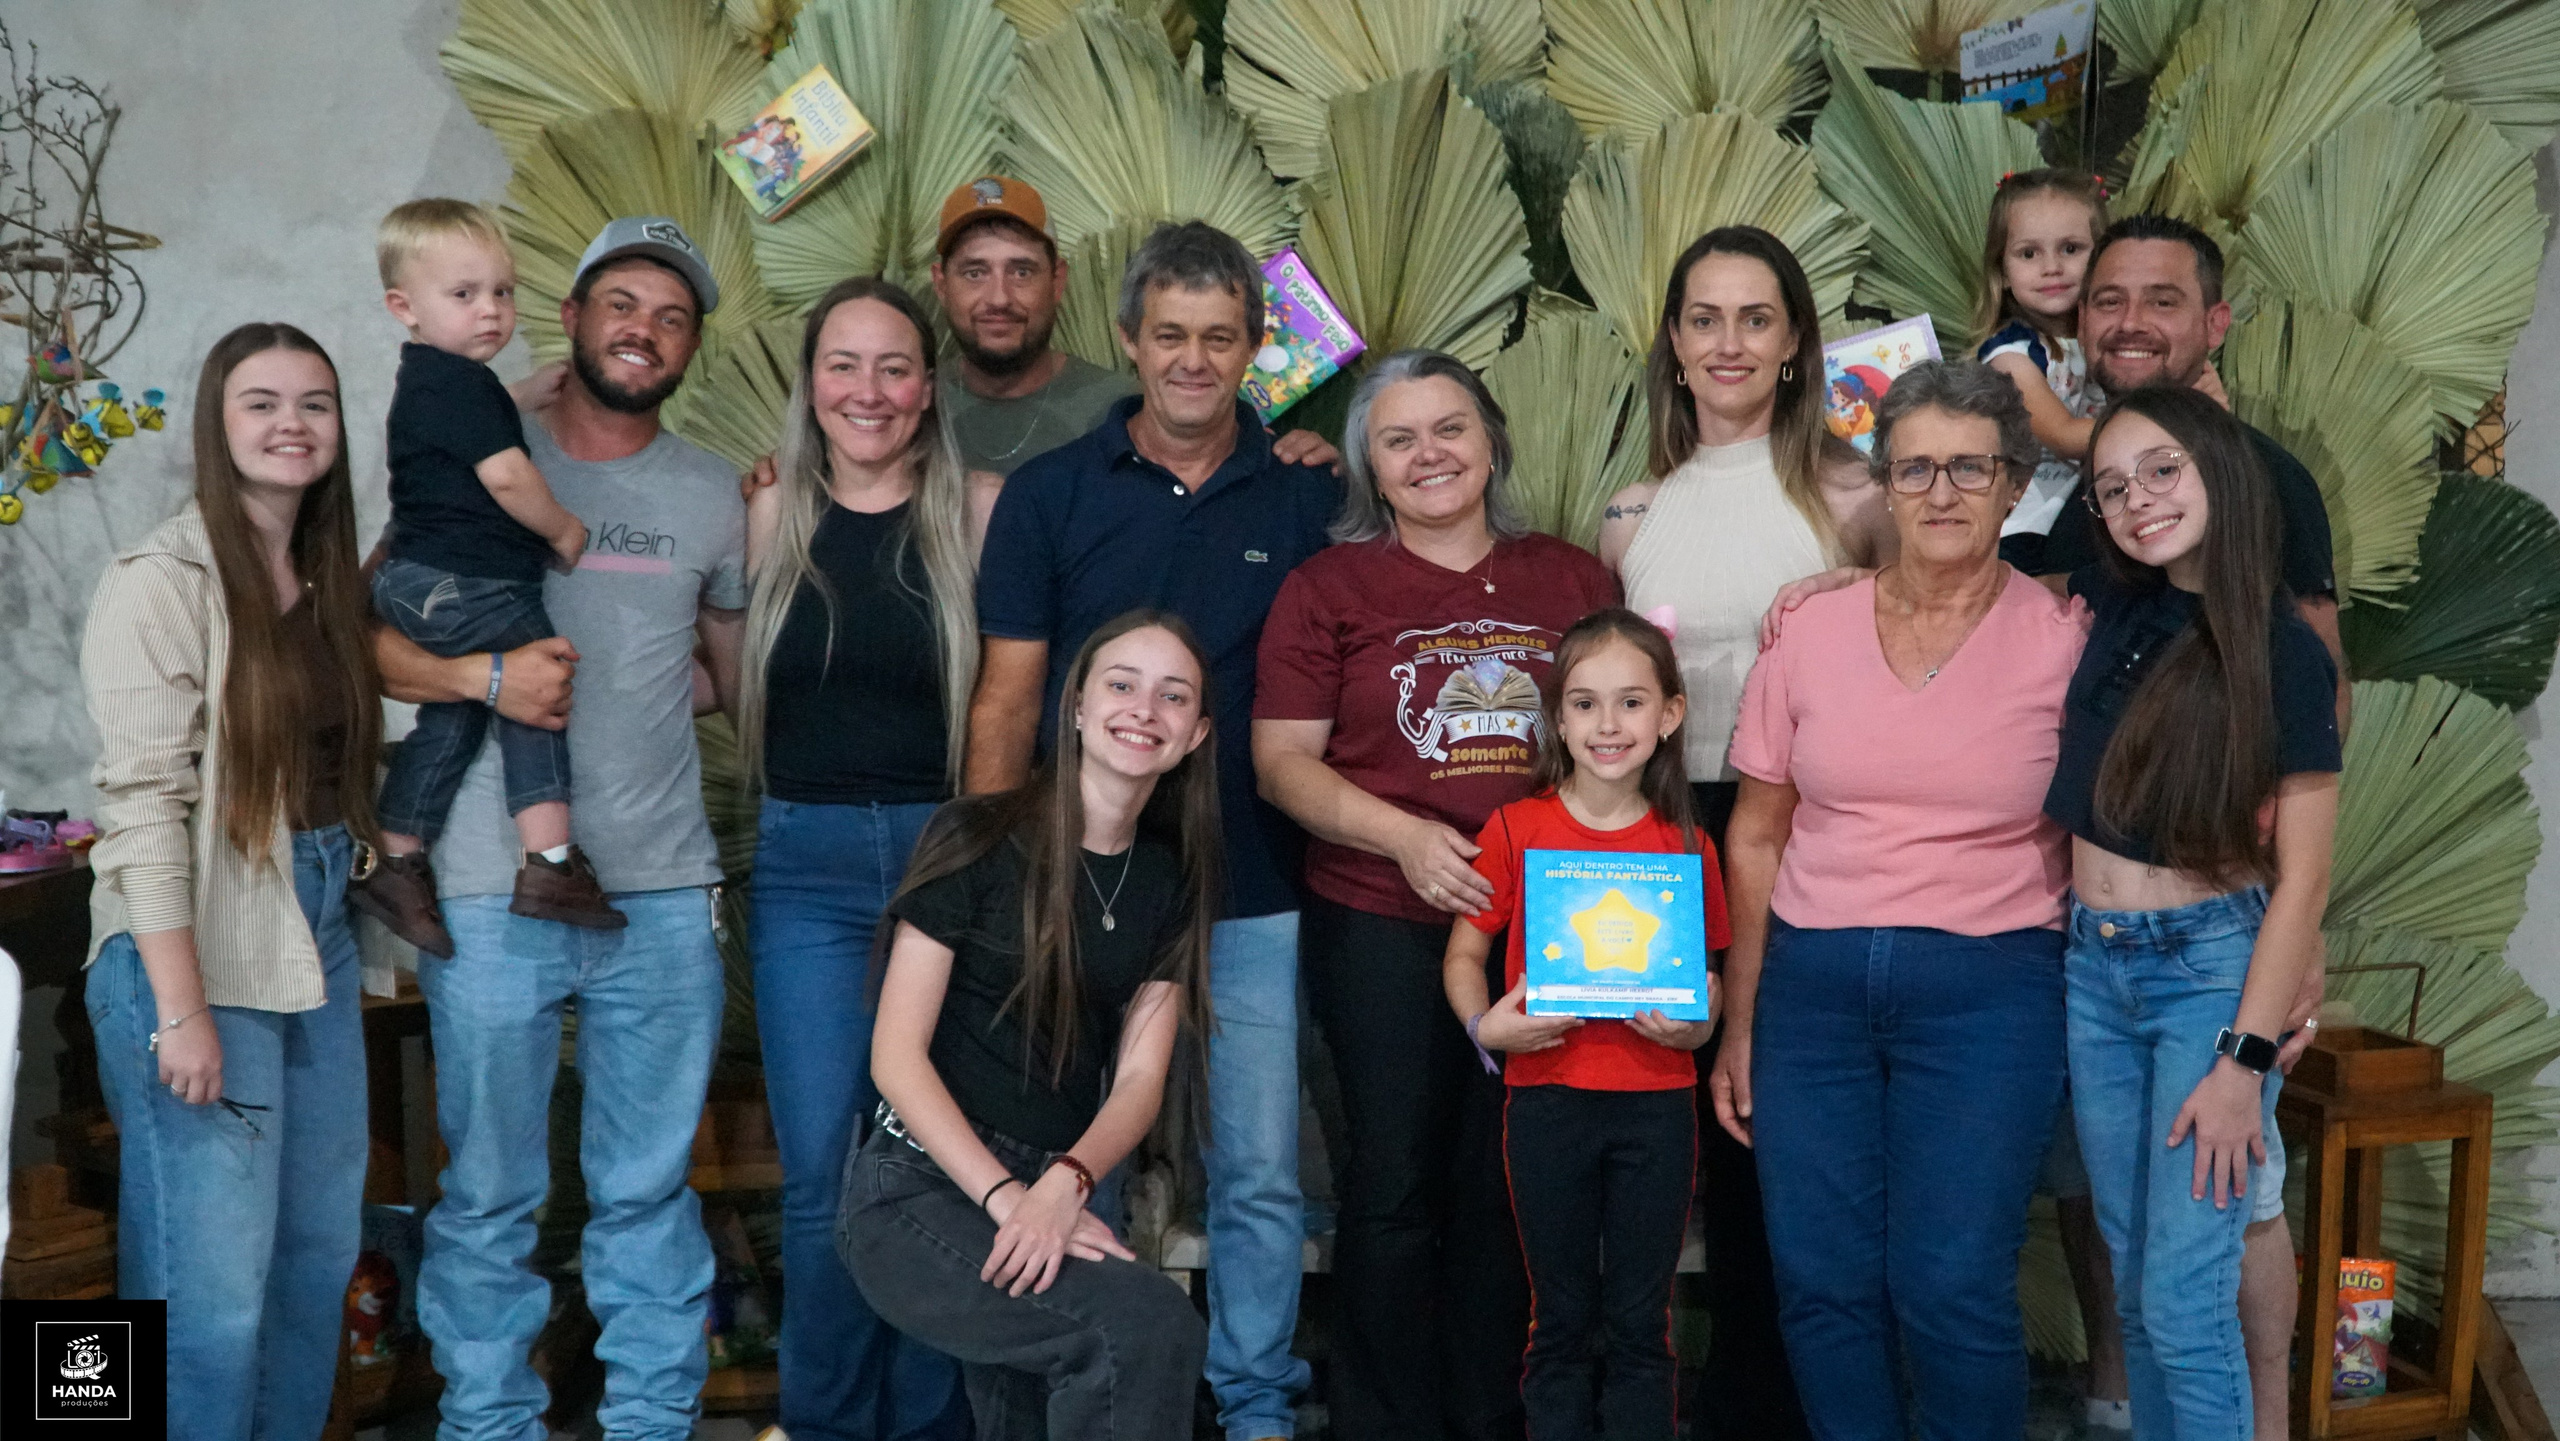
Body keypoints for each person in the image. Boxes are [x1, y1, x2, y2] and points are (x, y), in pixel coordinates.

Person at [371, 216, 749, 1441]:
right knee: (487, 1194)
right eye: (620, 303)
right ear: (574, 318)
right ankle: (489, 1426)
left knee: (648, 1192)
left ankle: (650, 1423)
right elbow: (370, 636)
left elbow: (731, 677)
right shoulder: (480, 443)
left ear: (688, 344)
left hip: (659, 888)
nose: (643, 328)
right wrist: (486, 685)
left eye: (672, 314)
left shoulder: (709, 491)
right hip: (490, 885)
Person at [967, 219, 1336, 1441]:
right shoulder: (1050, 493)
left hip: (1254, 889)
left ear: (1253, 347)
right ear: (1128, 339)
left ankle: (1255, 1405)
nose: (1192, 360)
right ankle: (1108, 1395)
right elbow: (1011, 698)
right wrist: (983, 873)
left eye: (1218, 338)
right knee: (1089, 1157)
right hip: (1085, 892)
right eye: (1168, 336)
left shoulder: (1300, 497)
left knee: (1260, 1170)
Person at [1713, 360, 2085, 1439]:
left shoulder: (2063, 640)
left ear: (2014, 485)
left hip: (1989, 990)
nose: (1940, 492)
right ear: (1880, 480)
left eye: (1969, 468)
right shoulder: (1810, 631)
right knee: (1821, 1283)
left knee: (1950, 1282)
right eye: (1914, 466)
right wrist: (1743, 1016)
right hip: (1812, 991)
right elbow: (1755, 833)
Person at [1253, 350, 1616, 1439]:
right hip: (1381, 916)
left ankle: (1496, 1415)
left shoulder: (1571, 579)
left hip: (1539, 922)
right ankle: (1387, 1420)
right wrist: (1406, 837)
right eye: (1399, 438)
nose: (1429, 455)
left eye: (1448, 429)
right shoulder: (1328, 586)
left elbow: (1616, 730)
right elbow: (1281, 761)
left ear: (1491, 438)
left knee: (1509, 1183)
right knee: (1393, 1185)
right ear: (1369, 460)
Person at [1594, 223, 1883, 1439]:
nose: (1727, 341)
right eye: (1703, 318)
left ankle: (1770, 1404)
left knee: (1772, 1128)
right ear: (1671, 340)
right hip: (1663, 836)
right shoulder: (1628, 509)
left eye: (1753, 318)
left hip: (1804, 836)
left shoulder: (1853, 496)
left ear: (1794, 341)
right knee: (1664, 1123)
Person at [80, 322, 383, 1441]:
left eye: (315, 401)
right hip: (195, 943)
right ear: (217, 423)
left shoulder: (321, 575)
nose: (291, 423)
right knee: (206, 1298)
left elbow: (322, 768)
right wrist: (181, 1007)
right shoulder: (159, 578)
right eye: (261, 401)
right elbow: (143, 810)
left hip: (313, 930)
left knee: (312, 1264)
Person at [844, 610, 1219, 1440]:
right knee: (1141, 1330)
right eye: (1121, 685)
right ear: (1078, 705)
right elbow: (895, 1056)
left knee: (1031, 1411)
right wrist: (1012, 1198)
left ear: (1195, 734)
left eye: (1173, 695)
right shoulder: (977, 835)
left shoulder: (1170, 878)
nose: (1143, 709)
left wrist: (1067, 1181)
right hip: (922, 1186)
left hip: (1053, 1184)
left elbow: (1140, 1080)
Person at [2052, 387, 2341, 1440]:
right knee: (2133, 1285)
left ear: (2220, 465)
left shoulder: (2281, 650)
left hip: (2202, 977)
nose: (2138, 500)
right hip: (2095, 969)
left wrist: (2242, 1062)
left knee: (2181, 1298)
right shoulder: (2117, 602)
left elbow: (2302, 878)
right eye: (2113, 487)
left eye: (2162, 469)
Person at [739, 277, 997, 1441]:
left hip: (946, 864)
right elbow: (715, 664)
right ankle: (829, 1423)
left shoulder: (980, 510)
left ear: (928, 388)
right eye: (843, 365)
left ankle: (933, 1425)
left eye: (893, 366)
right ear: (811, 384)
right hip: (807, 869)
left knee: (936, 1164)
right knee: (822, 1174)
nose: (868, 390)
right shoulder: (767, 514)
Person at [1445, 609, 1728, 1441]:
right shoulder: (1513, 827)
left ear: (1669, 715)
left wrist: (1697, 1029)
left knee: (1644, 1323)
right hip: (1546, 1103)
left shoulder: (1686, 843)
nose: (1609, 725)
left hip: (1656, 1105)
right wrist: (1483, 1028)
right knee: (1560, 1318)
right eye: (1585, 704)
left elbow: (1707, 982)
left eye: (1632, 703)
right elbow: (1464, 958)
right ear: (1558, 719)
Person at [353, 198, 620, 954]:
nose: (490, 311)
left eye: (502, 292)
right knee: (538, 686)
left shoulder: (438, 381)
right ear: (403, 306)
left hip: (419, 581)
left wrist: (523, 394)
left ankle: (397, 856)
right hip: (468, 584)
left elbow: (467, 434)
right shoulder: (462, 388)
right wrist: (565, 528)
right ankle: (551, 862)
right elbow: (506, 478)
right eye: (464, 295)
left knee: (456, 712)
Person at [929, 175, 1336, 479]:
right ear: (940, 284)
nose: (999, 298)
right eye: (974, 272)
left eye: (1022, 271)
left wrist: (1298, 459)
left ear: (1057, 281)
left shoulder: (1132, 409)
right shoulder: (906, 408)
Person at [1976, 169, 2110, 576]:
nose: (2051, 267)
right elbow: (2067, 437)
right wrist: (2165, 420)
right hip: (2026, 529)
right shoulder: (2010, 357)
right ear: (2002, 270)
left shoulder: (2107, 338)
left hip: (2092, 506)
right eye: (2029, 254)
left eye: (2070, 248)